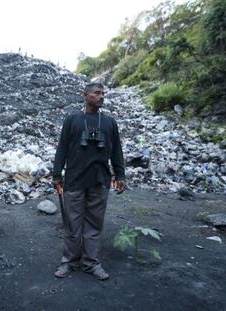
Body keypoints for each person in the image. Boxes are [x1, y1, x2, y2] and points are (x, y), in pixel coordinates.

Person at [52, 82, 126, 280]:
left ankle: (90, 263)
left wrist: (120, 175)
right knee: (72, 224)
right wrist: (57, 175)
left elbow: (117, 150)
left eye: (103, 93)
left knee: (94, 224)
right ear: (85, 95)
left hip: (100, 180)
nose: (101, 96)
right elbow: (62, 149)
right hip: (74, 180)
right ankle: (68, 262)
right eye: (96, 93)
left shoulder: (110, 122)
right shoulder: (72, 120)